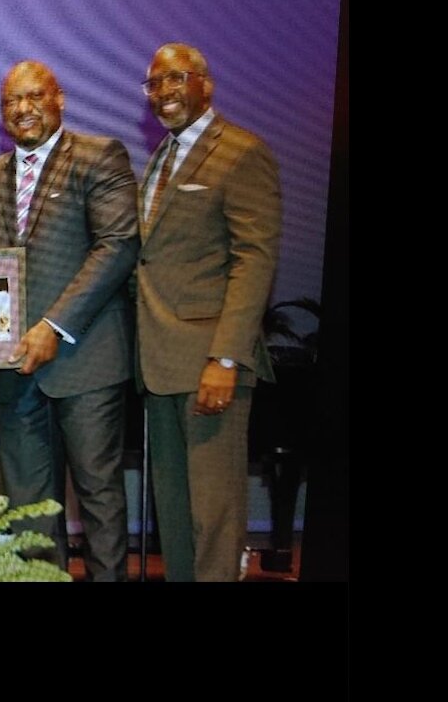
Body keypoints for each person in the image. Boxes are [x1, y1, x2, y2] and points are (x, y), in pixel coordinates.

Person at [0, 61, 139, 581]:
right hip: (14, 368)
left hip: (85, 358)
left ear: (59, 98)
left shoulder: (99, 157)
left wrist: (53, 326)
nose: (23, 109)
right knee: (29, 508)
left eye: (34, 96)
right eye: (11, 101)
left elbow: (117, 246)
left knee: (98, 493)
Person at [136, 43, 281, 581]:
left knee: (214, 516)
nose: (164, 92)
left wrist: (225, 358)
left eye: (176, 78)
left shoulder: (241, 152)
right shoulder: (160, 157)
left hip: (209, 367)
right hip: (160, 365)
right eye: (154, 83)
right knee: (175, 515)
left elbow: (254, 260)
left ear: (206, 84)